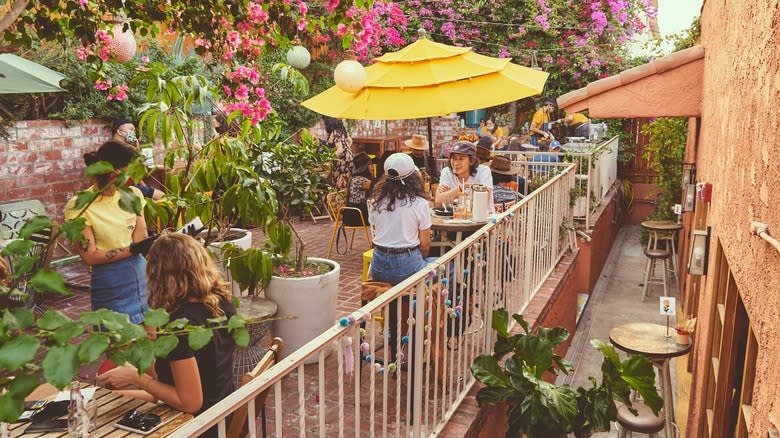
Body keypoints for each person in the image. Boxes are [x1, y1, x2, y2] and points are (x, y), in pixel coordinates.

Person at [97, 233, 237, 438]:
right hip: (222, 411)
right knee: (101, 401)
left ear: (158, 275)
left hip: (199, 425)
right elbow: (178, 373)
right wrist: (135, 358)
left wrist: (137, 378)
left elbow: (190, 402)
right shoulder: (220, 303)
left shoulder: (179, 326)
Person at [64, 141, 155, 324]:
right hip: (110, 282)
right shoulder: (79, 205)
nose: (132, 178)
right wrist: (134, 248)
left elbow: (141, 238)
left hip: (141, 275)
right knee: (119, 347)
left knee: (149, 342)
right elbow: (90, 257)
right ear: (113, 172)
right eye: (128, 171)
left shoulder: (132, 195)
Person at [368, 153, 436, 364]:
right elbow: (425, 246)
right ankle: (419, 331)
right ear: (414, 177)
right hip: (405, 266)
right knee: (443, 267)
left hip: (378, 266)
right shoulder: (419, 204)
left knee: (417, 273)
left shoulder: (375, 201)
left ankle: (395, 329)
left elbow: (375, 235)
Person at [111, 118, 164, 201]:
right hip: (122, 188)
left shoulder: (121, 147)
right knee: (162, 196)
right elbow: (133, 171)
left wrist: (145, 187)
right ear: (120, 132)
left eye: (134, 131)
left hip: (128, 185)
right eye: (131, 129)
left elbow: (135, 174)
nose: (133, 133)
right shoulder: (117, 148)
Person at [435, 141, 494, 213]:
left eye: (461, 159)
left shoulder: (483, 171)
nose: (456, 163)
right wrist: (461, 188)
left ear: (471, 161)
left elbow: (483, 199)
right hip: (455, 220)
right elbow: (438, 202)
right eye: (454, 158)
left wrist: (452, 195)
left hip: (483, 220)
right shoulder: (447, 171)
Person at [323, 116, 354, 191]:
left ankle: (339, 200)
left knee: (340, 184)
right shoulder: (342, 130)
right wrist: (347, 152)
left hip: (341, 162)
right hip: (348, 159)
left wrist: (328, 159)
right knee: (346, 183)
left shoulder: (336, 132)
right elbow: (350, 141)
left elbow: (340, 150)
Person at [343, 152, 374, 226]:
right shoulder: (360, 180)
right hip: (356, 215)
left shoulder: (355, 177)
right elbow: (378, 187)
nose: (373, 167)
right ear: (364, 167)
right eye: (370, 164)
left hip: (356, 213)